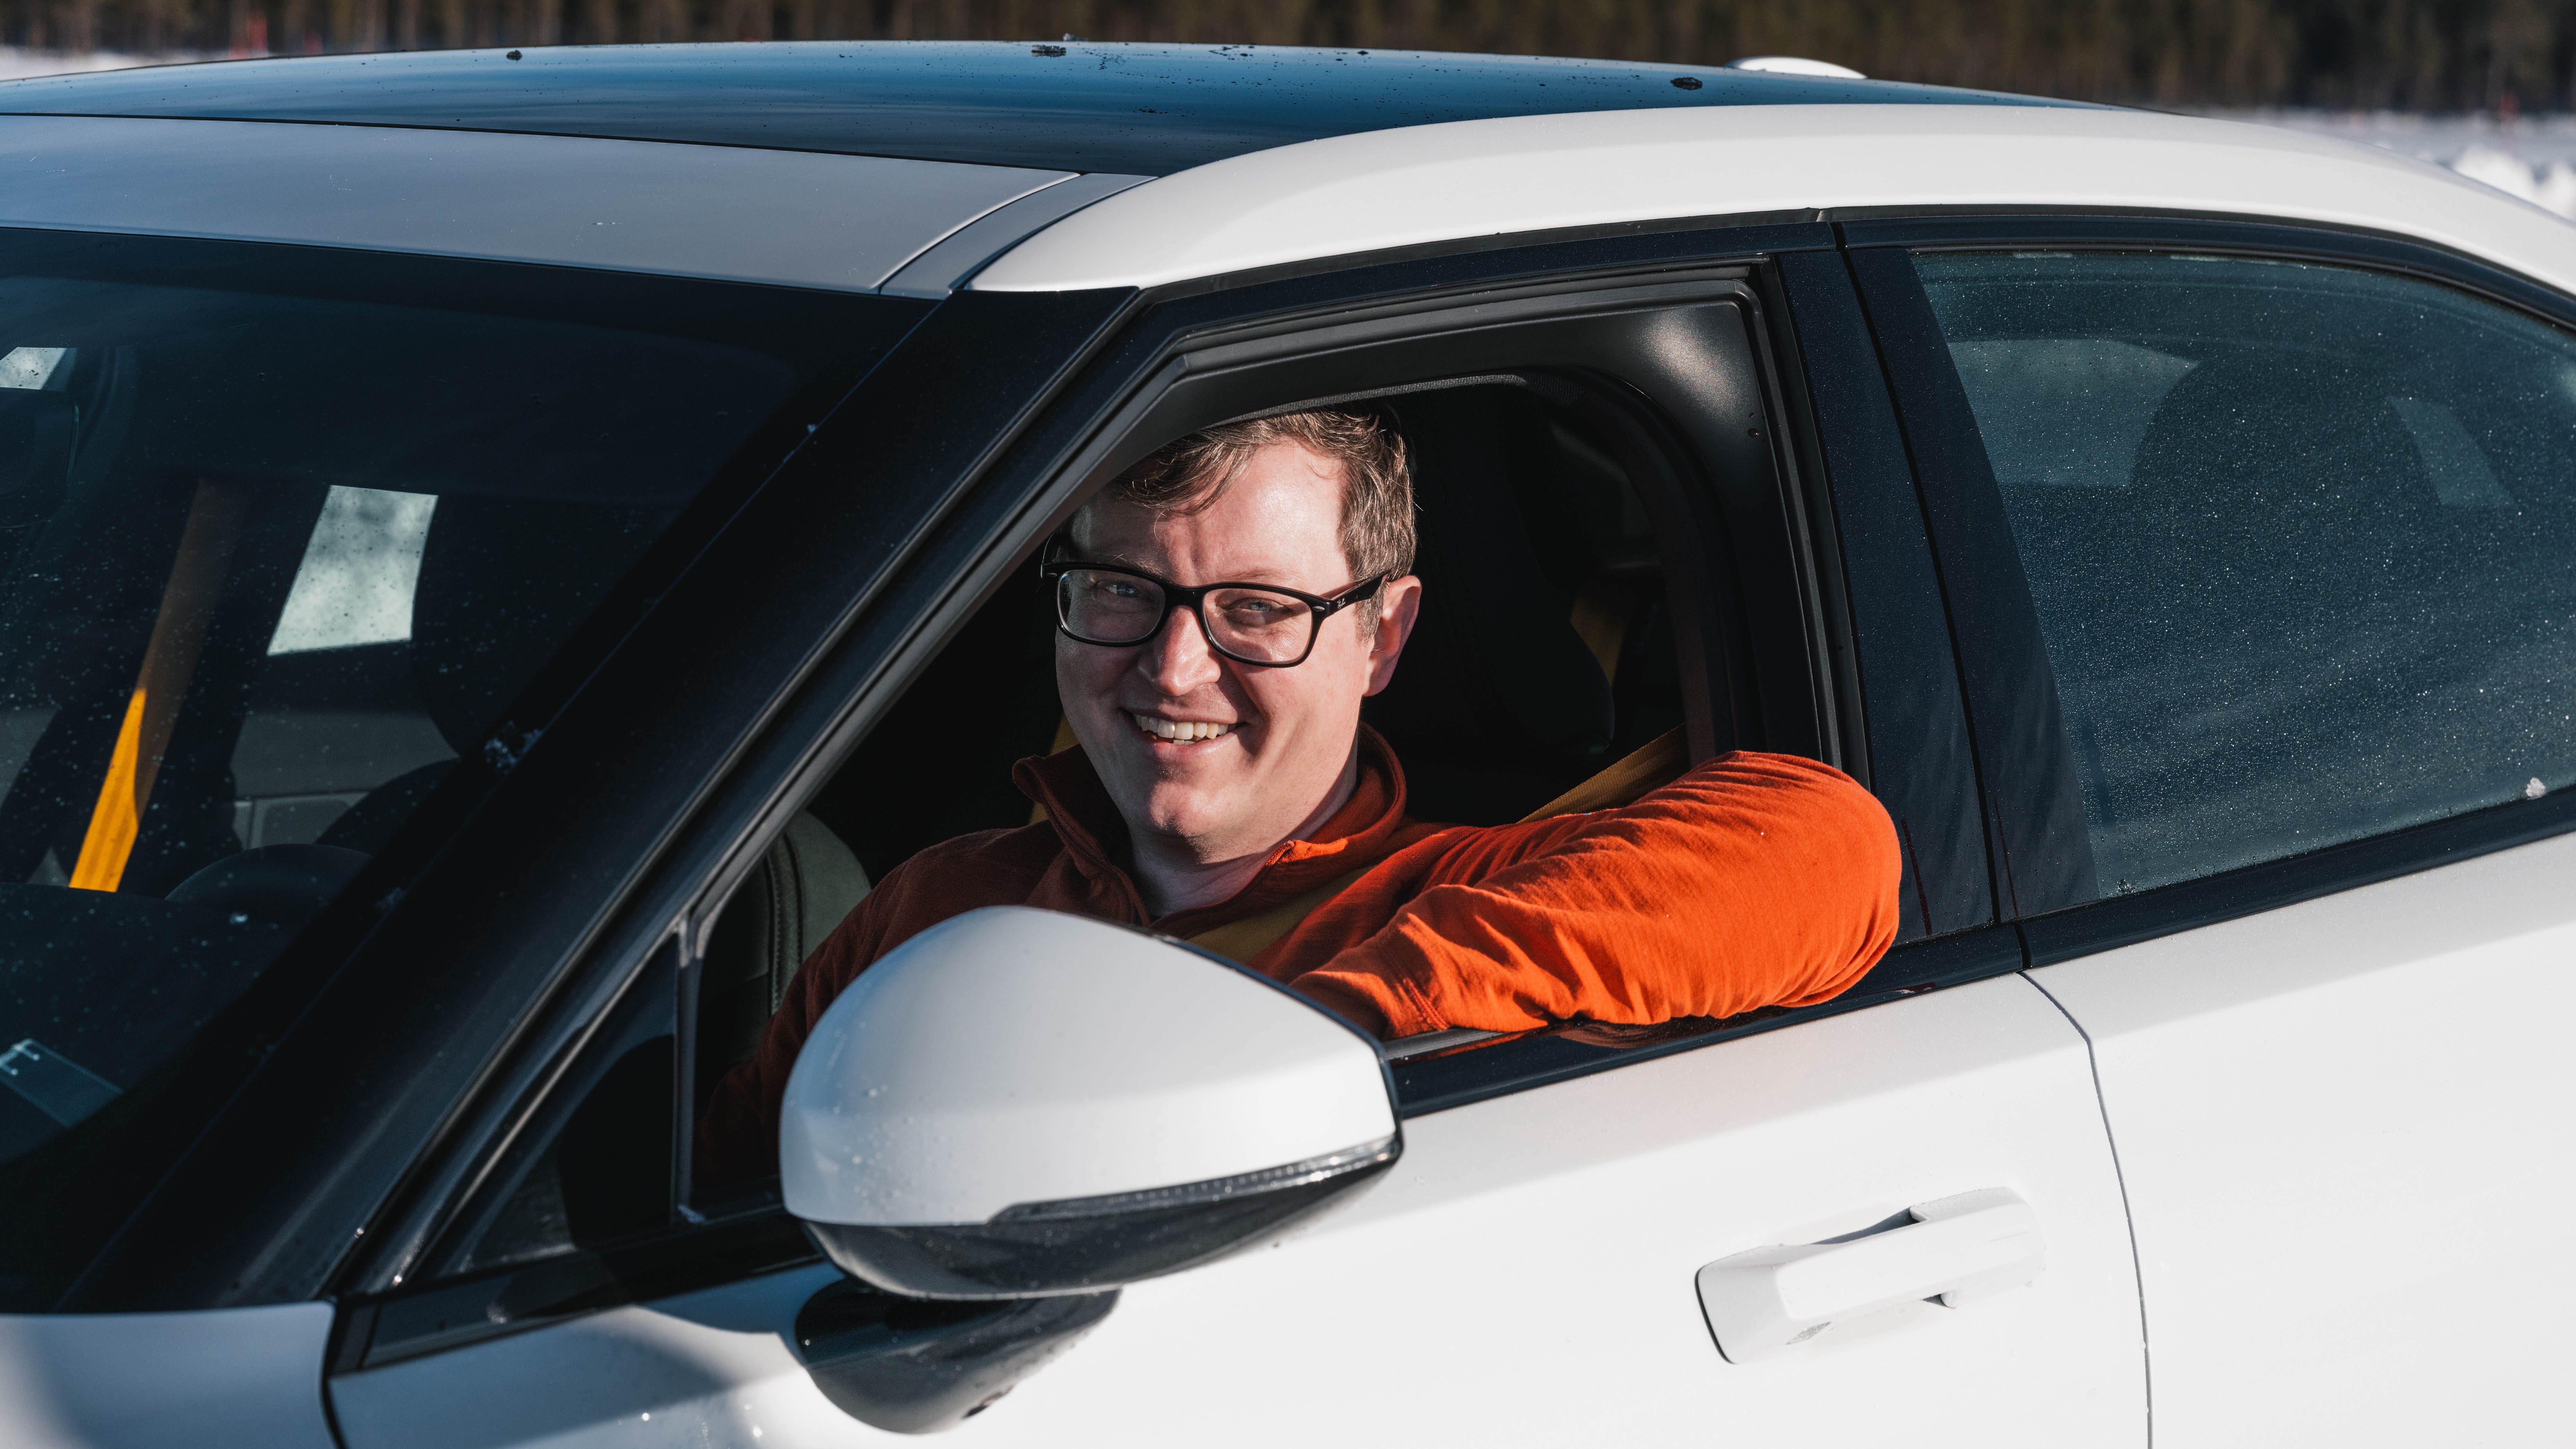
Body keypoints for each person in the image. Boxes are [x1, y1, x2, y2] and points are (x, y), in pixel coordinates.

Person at [698, 407, 1899, 1182]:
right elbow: (712, 1198)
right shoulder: (937, 905)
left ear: (1383, 637)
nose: (1173, 667)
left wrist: (1313, 1041)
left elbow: (1828, 842)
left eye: (1257, 610)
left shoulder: (1465, 890)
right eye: (1123, 589)